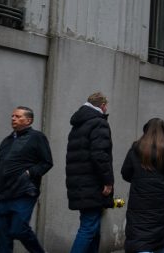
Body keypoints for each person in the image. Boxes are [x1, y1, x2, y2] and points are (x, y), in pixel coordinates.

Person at [0, 106, 53, 253]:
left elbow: (47, 162)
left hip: (24, 191)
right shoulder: (6, 141)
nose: (13, 119)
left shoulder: (37, 137)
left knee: (19, 229)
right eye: (12, 116)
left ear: (29, 120)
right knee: (3, 237)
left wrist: (29, 173)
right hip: (4, 194)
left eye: (17, 116)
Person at [121, 118, 164, 253]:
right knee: (158, 237)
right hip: (160, 202)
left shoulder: (135, 149)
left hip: (138, 200)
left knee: (139, 235)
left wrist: (140, 181)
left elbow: (125, 173)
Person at [66, 92, 114, 253]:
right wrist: (108, 181)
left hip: (79, 184)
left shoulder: (79, 124)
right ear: (102, 106)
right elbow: (100, 155)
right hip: (93, 184)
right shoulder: (99, 123)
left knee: (93, 227)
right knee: (88, 228)